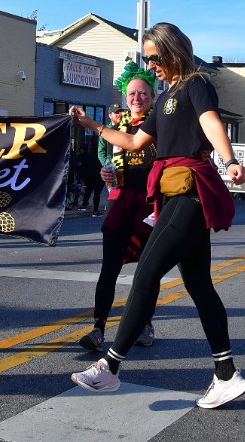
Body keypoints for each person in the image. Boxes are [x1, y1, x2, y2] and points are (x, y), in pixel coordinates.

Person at [69, 23, 245, 409]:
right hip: (171, 196)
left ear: (172, 50)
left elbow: (211, 121)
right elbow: (132, 141)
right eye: (147, 58)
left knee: (147, 273)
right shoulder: (167, 96)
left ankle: (110, 368)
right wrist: (93, 125)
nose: (151, 65)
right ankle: (227, 375)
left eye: (154, 57)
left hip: (190, 194)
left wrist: (229, 158)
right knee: (199, 285)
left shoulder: (196, 85)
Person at [78, 62, 157, 352]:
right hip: (121, 200)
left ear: (152, 96)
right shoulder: (116, 129)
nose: (137, 98)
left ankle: (144, 324)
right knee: (109, 266)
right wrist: (107, 176)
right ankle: (98, 328)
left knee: (147, 271)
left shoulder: (158, 125)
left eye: (143, 93)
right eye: (132, 93)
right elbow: (114, 166)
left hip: (150, 205)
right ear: (126, 97)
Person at [76, 143, 104, 217]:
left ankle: (84, 205)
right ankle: (95, 210)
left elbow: (83, 166)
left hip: (89, 176)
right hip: (99, 176)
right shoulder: (102, 155)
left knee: (88, 191)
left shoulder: (88, 155)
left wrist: (82, 177)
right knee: (97, 194)